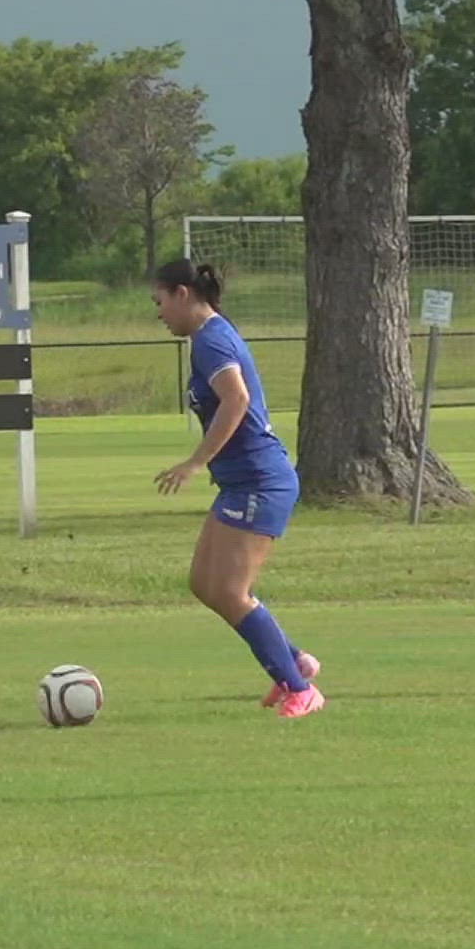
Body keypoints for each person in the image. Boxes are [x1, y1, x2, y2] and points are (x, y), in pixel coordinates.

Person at [150, 259, 323, 719]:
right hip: (241, 482)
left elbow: (237, 398)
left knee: (229, 590)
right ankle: (295, 661)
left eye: (161, 302)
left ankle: (300, 689)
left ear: (183, 294)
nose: (160, 313)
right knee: (204, 584)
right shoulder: (206, 338)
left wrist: (194, 462)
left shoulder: (210, 340)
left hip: (260, 482)